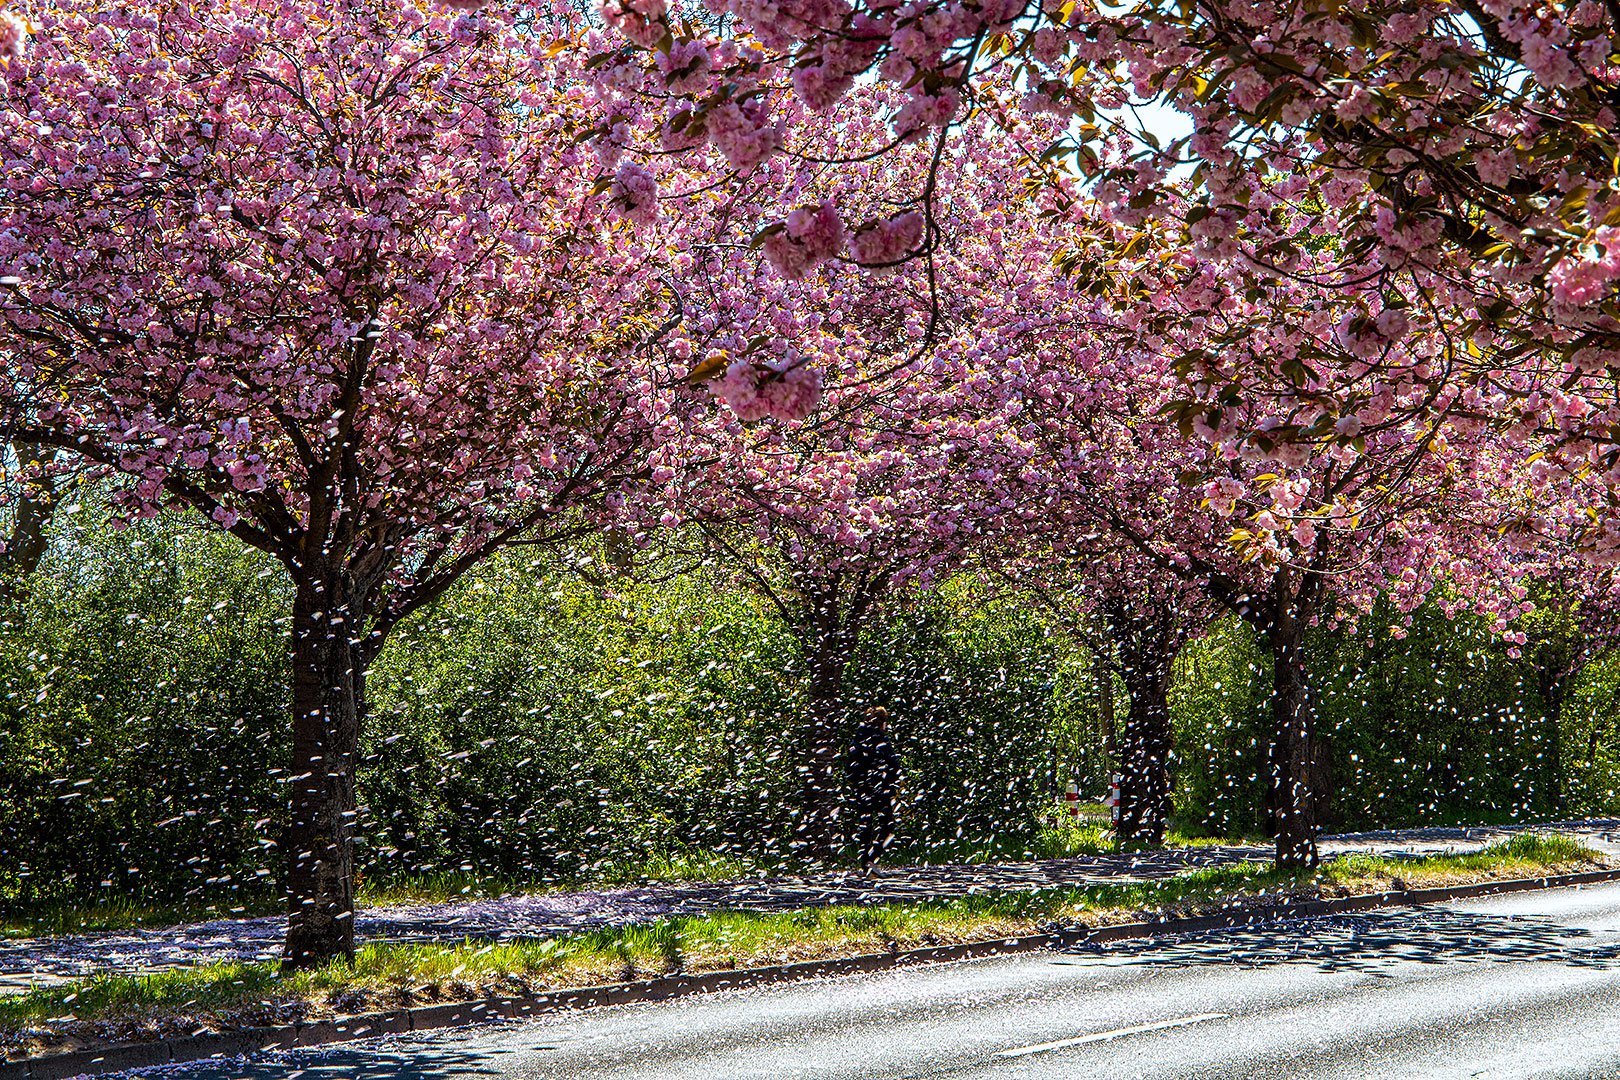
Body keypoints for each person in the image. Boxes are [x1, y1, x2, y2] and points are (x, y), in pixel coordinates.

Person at [848, 706, 901, 875]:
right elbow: (893, 765)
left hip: (862, 787)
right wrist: (892, 785)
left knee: (865, 824)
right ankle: (872, 858)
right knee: (887, 824)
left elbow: (851, 764)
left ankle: (865, 862)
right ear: (883, 723)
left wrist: (857, 783)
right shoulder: (881, 739)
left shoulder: (858, 739)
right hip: (880, 788)